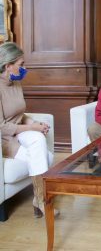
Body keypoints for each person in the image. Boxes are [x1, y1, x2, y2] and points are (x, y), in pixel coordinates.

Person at [0, 42, 59, 218]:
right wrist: (32, 127)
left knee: (38, 139)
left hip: (18, 132)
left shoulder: (15, 83)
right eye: (21, 64)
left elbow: (19, 113)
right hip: (5, 139)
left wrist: (35, 122)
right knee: (45, 157)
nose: (25, 68)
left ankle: (39, 200)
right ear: (8, 66)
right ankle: (41, 201)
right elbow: (2, 126)